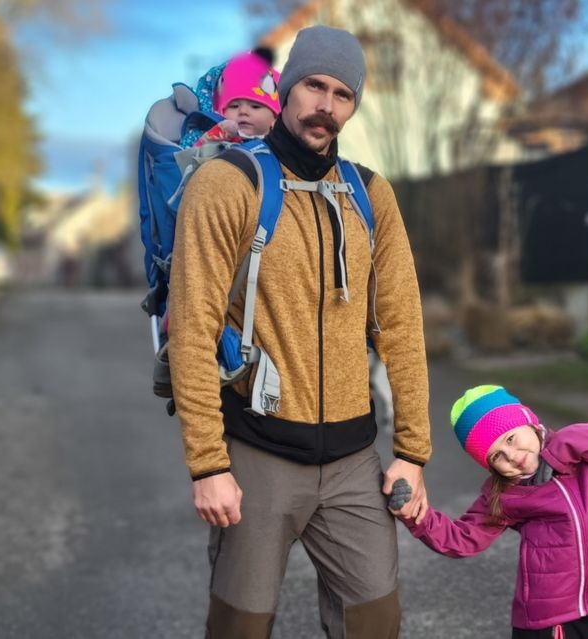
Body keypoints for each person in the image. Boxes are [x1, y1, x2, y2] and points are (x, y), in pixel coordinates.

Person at [167, 25, 431, 638]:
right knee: (240, 626)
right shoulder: (228, 183)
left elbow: (402, 324)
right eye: (314, 85)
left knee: (375, 623)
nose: (326, 105)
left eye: (343, 94)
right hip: (257, 455)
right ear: (286, 88)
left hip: (354, 462)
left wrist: (412, 453)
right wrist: (207, 465)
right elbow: (195, 327)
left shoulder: (371, 194)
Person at [396, 385, 588, 639]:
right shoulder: (507, 493)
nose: (512, 456)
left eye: (510, 438)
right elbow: (462, 538)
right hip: (549, 619)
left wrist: (562, 447)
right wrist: (415, 512)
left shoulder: (583, 457)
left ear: (529, 422)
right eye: (497, 457)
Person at [193, 48, 281, 146]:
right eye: (234, 106)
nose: (243, 111)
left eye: (255, 106)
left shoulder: (284, 147)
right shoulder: (210, 141)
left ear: (275, 117)